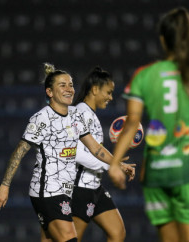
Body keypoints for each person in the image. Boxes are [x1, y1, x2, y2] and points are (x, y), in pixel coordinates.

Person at [108, 7, 189, 242]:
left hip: (159, 173)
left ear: (162, 39)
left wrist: (115, 163)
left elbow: (131, 125)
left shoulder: (144, 75)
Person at [0, 63, 134, 242]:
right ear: (49, 92)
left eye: (71, 84)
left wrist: (118, 163)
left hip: (65, 192)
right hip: (47, 191)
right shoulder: (42, 119)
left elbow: (95, 148)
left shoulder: (75, 116)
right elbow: (20, 151)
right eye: (62, 85)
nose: (69, 89)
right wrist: (5, 185)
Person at [71, 66, 128, 242]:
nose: (111, 97)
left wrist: (118, 164)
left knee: (117, 232)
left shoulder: (90, 115)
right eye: (108, 92)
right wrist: (111, 166)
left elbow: (97, 150)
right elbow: (77, 154)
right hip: (79, 188)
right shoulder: (80, 112)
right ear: (95, 89)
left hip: (94, 186)